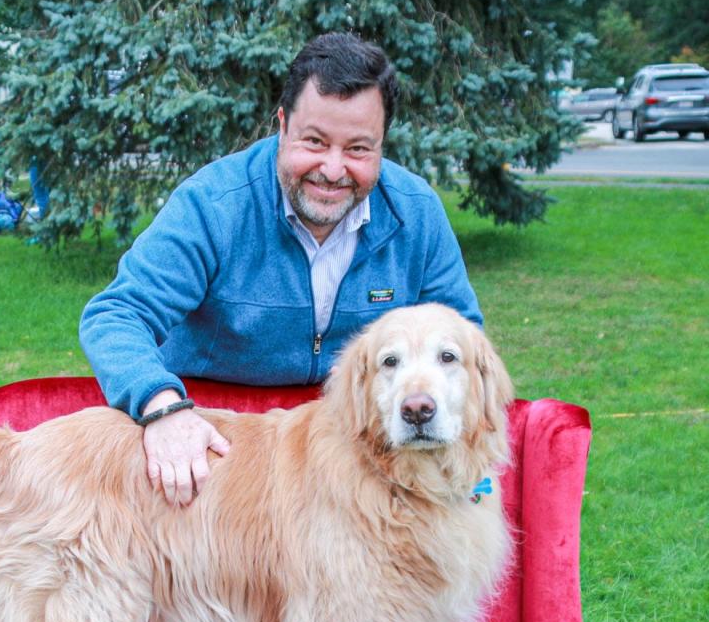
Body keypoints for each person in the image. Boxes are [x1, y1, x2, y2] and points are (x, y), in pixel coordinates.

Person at [80, 31, 484, 506]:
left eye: (358, 149)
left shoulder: (416, 212)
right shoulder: (213, 204)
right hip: (217, 445)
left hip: (347, 445)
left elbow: (464, 337)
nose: (333, 171)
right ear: (281, 126)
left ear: (382, 143)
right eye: (314, 142)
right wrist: (162, 407)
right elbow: (115, 315)